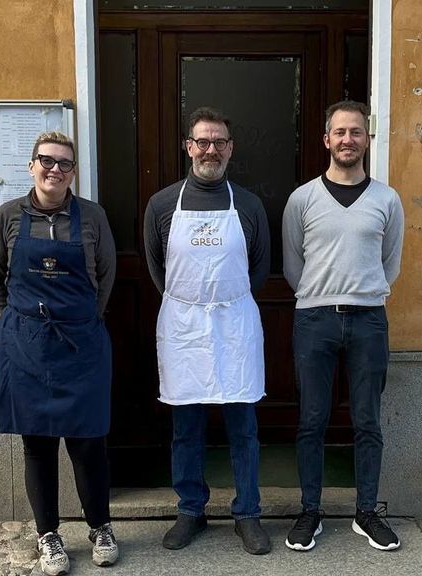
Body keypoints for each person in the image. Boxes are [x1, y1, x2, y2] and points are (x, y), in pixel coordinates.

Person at [0, 131, 119, 574]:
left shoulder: (93, 217)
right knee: (37, 444)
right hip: (27, 347)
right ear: (32, 166)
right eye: (47, 160)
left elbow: (106, 276)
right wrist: (24, 322)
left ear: (73, 172)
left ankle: (100, 527)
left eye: (64, 163)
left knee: (88, 442)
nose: (55, 169)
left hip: (81, 345)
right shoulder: (7, 216)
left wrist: (81, 319)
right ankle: (48, 535)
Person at [143, 107, 272, 555]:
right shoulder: (162, 205)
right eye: (202, 141)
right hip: (184, 328)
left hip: (235, 325)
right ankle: (190, 510)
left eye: (219, 142)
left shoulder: (249, 206)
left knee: (244, 427)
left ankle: (248, 513)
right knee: (186, 428)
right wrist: (192, 304)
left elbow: (260, 268)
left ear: (230, 149)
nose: (210, 150)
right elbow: (156, 268)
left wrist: (223, 302)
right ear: (189, 147)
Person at [282, 100, 405, 552]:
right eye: (340, 132)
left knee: (367, 421)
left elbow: (390, 263)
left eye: (356, 132)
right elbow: (294, 265)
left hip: (369, 318)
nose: (347, 140)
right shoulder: (302, 199)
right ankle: (310, 512)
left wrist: (362, 292)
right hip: (315, 318)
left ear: (366, 140)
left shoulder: (387, 200)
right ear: (326, 140)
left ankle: (366, 512)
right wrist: (323, 293)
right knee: (311, 420)